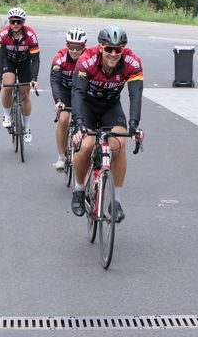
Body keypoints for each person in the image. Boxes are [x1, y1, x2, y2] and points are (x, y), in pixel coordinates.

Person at [70, 26, 144, 223]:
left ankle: (116, 202)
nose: (113, 54)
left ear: (123, 50)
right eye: (108, 49)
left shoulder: (132, 62)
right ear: (100, 47)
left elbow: (135, 94)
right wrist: (78, 124)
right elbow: (77, 92)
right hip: (87, 106)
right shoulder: (87, 60)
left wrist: (134, 125)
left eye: (117, 50)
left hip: (111, 107)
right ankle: (78, 189)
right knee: (85, 146)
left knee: (119, 145)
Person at [0, 7, 40, 144]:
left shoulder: (31, 35)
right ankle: (7, 114)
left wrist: (34, 79)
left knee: (25, 95)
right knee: (8, 87)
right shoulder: (2, 35)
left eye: (18, 21)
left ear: (23, 22)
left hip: (25, 63)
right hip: (9, 62)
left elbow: (35, 59)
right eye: (13, 21)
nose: (15, 24)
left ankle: (27, 127)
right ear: (9, 21)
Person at [50, 27, 87, 171]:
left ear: (84, 46)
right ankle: (60, 157)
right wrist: (58, 100)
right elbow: (55, 80)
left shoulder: (90, 58)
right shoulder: (60, 58)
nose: (75, 50)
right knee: (63, 119)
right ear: (67, 45)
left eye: (79, 47)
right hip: (65, 92)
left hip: (83, 92)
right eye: (71, 46)